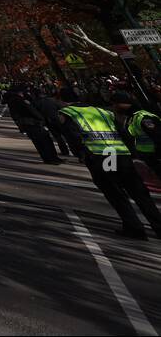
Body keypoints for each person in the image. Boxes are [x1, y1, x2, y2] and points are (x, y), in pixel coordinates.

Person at [56, 89, 161, 240]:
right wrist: (132, 154)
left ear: (61, 99)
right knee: (139, 193)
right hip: (120, 153)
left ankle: (135, 228)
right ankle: (158, 226)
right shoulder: (103, 111)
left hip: (102, 156)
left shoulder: (68, 112)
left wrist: (82, 155)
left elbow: (73, 136)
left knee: (115, 192)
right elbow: (123, 133)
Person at [112, 91, 159, 181]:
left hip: (155, 158)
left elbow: (158, 136)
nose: (114, 107)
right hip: (147, 159)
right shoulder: (131, 118)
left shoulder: (143, 117)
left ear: (124, 103)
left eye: (115, 103)